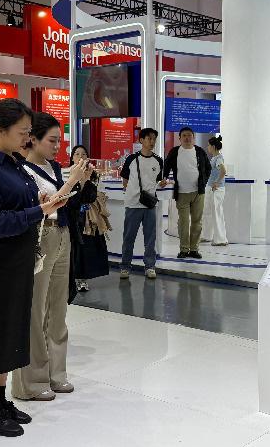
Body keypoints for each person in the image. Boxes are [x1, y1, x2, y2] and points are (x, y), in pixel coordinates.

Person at [0, 99, 65, 437]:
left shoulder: (13, 163)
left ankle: (3, 400)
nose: (27, 138)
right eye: (22, 132)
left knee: (11, 330)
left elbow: (21, 204)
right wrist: (39, 211)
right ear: (0, 130)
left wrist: (40, 204)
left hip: (19, 258)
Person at [12, 113, 90, 402]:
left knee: (58, 309)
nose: (57, 146)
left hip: (62, 234)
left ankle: (56, 373)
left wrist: (80, 182)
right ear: (33, 139)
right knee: (35, 309)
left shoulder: (55, 168)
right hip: (39, 237)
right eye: (52, 140)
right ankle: (31, 381)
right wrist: (72, 183)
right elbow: (47, 206)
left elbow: (66, 204)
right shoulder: (22, 171)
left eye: (59, 141)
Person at [119, 127, 167, 280]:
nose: (152, 142)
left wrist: (162, 183)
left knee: (150, 238)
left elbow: (159, 180)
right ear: (141, 140)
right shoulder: (131, 159)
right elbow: (125, 180)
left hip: (150, 204)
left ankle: (150, 267)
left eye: (154, 139)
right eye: (149, 138)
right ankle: (125, 267)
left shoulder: (158, 160)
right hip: (133, 204)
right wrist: (131, 193)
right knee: (129, 237)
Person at [165, 126, 212, 259]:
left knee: (197, 222)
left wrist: (203, 182)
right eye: (184, 135)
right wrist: (164, 178)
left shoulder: (200, 151)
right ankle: (184, 249)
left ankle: (194, 249)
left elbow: (208, 168)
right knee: (183, 222)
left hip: (198, 193)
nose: (187, 138)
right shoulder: (175, 151)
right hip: (181, 193)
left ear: (193, 137)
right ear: (180, 138)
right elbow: (166, 167)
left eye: (189, 135)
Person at [70, 145, 111, 293]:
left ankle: (82, 279)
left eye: (83, 154)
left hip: (89, 218)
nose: (80, 157)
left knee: (87, 249)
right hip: (73, 217)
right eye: (77, 154)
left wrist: (85, 180)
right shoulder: (67, 174)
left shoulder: (93, 175)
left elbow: (91, 196)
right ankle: (72, 278)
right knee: (73, 249)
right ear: (72, 157)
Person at [204, 136, 228, 246]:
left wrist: (217, 182)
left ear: (213, 146)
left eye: (209, 145)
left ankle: (221, 239)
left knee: (216, 213)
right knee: (208, 212)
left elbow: (223, 171)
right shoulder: (214, 158)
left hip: (216, 190)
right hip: (210, 188)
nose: (207, 147)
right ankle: (207, 236)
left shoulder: (219, 158)